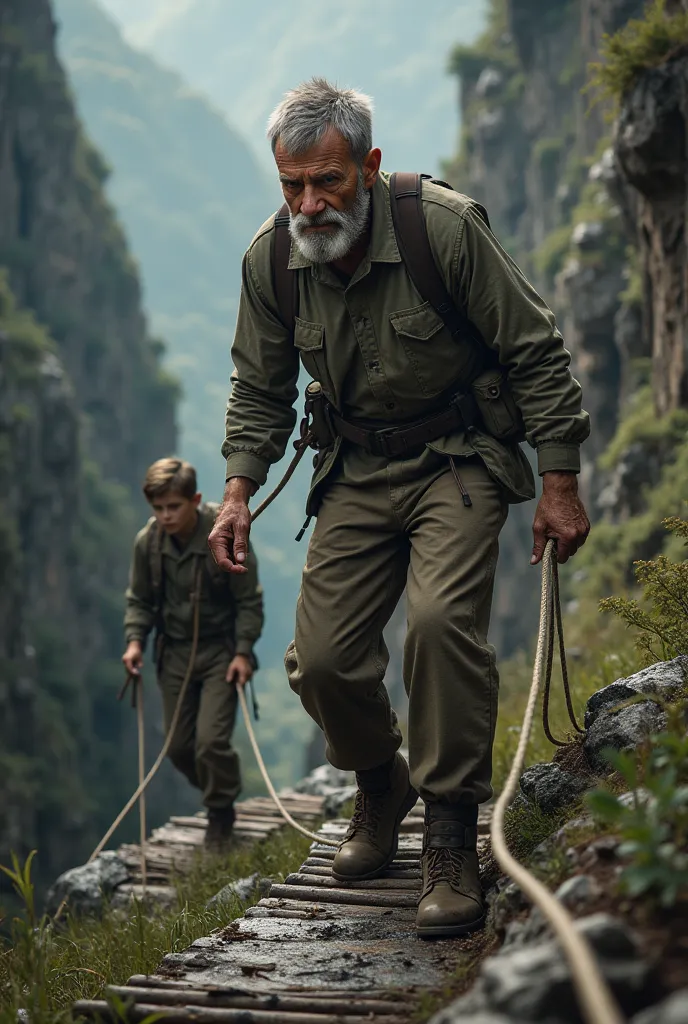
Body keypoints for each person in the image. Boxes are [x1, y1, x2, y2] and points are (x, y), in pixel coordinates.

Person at [209, 78, 590, 935]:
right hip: (354, 467)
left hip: (459, 456)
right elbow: (258, 389)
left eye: (328, 182)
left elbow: (534, 349)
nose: (309, 204)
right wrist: (235, 493)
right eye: (292, 185)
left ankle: (451, 828)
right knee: (322, 660)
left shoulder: (442, 231)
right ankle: (383, 784)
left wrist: (558, 479)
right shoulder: (272, 261)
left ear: (369, 167)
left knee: (437, 624)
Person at [123, 457, 263, 851]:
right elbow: (140, 601)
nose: (165, 516)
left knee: (210, 743)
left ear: (195, 499)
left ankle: (220, 813)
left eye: (174, 506)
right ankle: (224, 791)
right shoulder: (147, 544)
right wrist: (135, 642)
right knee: (180, 747)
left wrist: (242, 652)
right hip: (175, 654)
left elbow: (249, 601)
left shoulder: (223, 532)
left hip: (220, 653)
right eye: (158, 508)